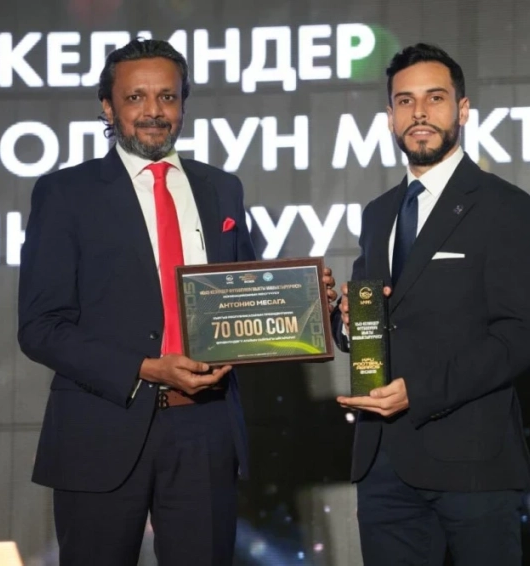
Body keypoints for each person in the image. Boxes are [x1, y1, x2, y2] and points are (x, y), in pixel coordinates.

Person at [17, 38, 337, 565]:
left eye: (167, 97)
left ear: (183, 104)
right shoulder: (65, 194)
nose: (153, 111)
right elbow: (41, 327)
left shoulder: (221, 189)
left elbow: (245, 299)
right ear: (108, 107)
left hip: (204, 428)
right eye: (135, 97)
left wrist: (306, 303)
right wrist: (146, 368)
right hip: (101, 427)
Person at [332, 43, 530, 565]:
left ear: (462, 109)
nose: (419, 113)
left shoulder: (505, 207)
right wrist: (345, 321)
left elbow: (521, 333)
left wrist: (420, 391)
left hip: (472, 463)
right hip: (383, 465)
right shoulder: (379, 213)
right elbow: (375, 321)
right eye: (405, 101)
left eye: (434, 98)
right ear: (390, 117)